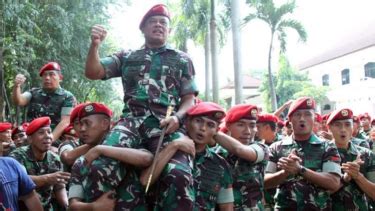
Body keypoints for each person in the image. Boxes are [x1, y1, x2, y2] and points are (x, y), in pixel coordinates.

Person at [84, 4, 198, 209]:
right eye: (152, 22)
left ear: (169, 30)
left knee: (179, 174)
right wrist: (95, 45)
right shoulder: (127, 56)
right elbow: (94, 72)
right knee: (100, 165)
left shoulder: (182, 59)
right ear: (143, 29)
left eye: (163, 22)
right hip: (130, 124)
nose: (158, 25)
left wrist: (178, 118)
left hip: (166, 124)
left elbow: (189, 99)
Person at [140, 102, 234, 210]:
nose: (203, 128)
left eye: (210, 125)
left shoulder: (220, 165)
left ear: (216, 131)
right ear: (187, 122)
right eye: (198, 121)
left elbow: (227, 207)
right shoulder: (165, 149)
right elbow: (145, 181)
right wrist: (173, 146)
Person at [69, 103, 153, 210]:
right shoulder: (81, 162)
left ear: (105, 124)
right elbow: (72, 205)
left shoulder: (125, 145)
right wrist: (93, 207)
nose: (82, 129)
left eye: (87, 123)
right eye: (81, 124)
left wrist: (101, 149)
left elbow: (147, 158)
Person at [265, 97, 342, 210]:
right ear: (290, 119)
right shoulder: (276, 147)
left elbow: (334, 182)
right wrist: (284, 173)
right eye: (297, 115)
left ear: (314, 118)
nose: (302, 119)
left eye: (307, 114)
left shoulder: (328, 147)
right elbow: (264, 182)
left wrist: (300, 169)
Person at [214, 104, 269, 210]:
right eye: (241, 125)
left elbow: (240, 150)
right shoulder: (216, 154)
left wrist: (212, 130)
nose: (247, 131)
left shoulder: (261, 149)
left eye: (252, 126)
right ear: (228, 126)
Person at [9, 117, 70, 210]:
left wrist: (67, 206)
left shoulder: (55, 159)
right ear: (30, 139)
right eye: (41, 133)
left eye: (49, 132)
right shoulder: (17, 156)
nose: (47, 136)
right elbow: (17, 181)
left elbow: (59, 187)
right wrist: (46, 179)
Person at [12, 62, 76, 143]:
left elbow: (65, 122)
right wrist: (17, 86)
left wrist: (49, 140)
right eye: (44, 75)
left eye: (51, 74)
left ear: (60, 78)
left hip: (54, 140)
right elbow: (19, 101)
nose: (47, 78)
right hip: (31, 138)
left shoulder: (68, 97)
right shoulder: (33, 92)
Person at [326, 108, 375, 210]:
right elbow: (312, 194)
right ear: (329, 128)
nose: (343, 129)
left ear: (353, 127)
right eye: (338, 125)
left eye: (347, 125)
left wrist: (358, 176)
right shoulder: (322, 153)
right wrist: (344, 178)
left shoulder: (366, 155)